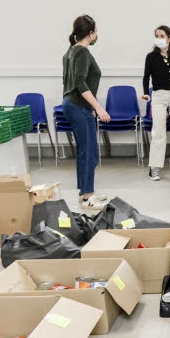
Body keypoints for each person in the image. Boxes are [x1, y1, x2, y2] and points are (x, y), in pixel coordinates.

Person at [62, 15, 110, 210]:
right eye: (96, 31)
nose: (97, 34)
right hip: (78, 106)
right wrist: (98, 107)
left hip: (75, 105)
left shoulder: (70, 51)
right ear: (90, 34)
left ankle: (84, 194)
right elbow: (80, 82)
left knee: (87, 151)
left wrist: (89, 107)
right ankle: (88, 196)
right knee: (88, 152)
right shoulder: (82, 52)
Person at [142, 25, 170, 181]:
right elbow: (146, 77)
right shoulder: (151, 57)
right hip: (159, 96)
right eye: (157, 36)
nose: (159, 39)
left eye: (162, 36)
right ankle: (154, 167)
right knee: (158, 132)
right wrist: (146, 93)